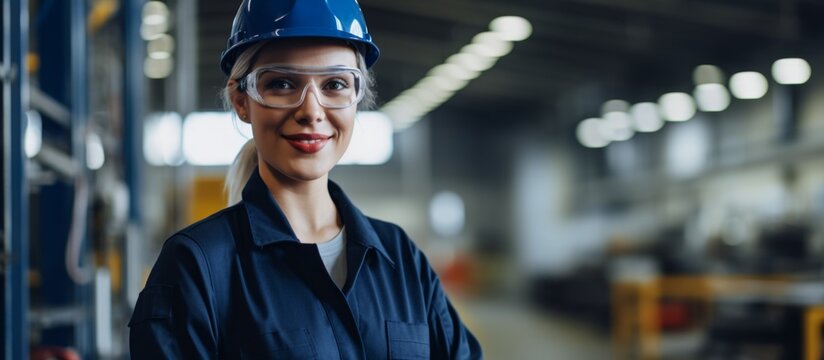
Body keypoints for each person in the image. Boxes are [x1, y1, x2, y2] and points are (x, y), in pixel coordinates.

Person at [127, 0, 483, 358]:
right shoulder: (197, 266)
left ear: (358, 97)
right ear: (241, 101)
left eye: (334, 84)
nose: (311, 111)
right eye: (281, 83)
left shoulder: (399, 257)